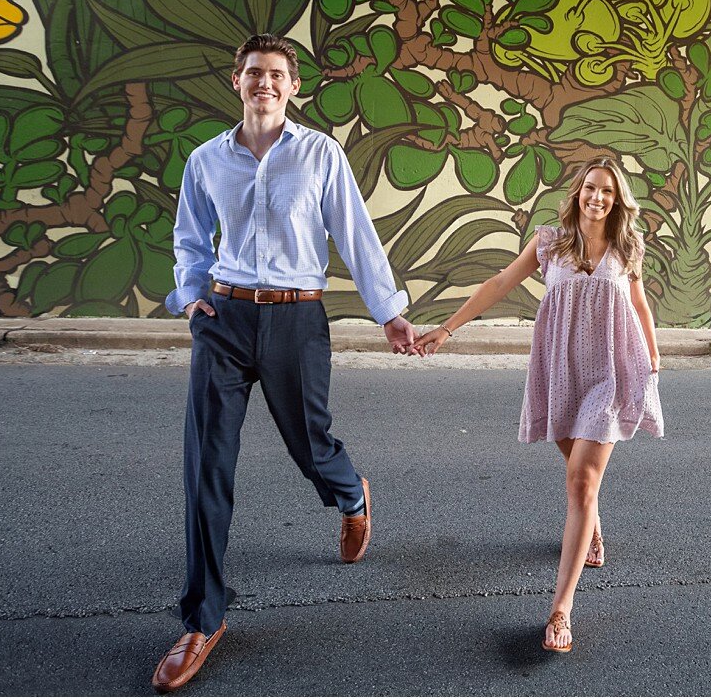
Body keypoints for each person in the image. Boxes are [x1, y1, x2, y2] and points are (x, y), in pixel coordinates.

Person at [151, 34, 419, 692]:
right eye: (252, 73)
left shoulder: (320, 154)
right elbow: (190, 234)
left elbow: (355, 231)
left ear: (294, 85)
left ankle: (351, 494)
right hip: (225, 316)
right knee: (205, 463)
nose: (263, 82)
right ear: (235, 81)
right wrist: (190, 298)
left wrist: (390, 311)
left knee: (311, 443)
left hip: (297, 317)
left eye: (275, 73)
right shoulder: (207, 160)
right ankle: (203, 617)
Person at [416, 156, 663, 653]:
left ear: (618, 201)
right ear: (578, 193)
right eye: (591, 188)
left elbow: (638, 303)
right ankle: (590, 526)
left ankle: (560, 610)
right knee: (577, 471)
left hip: (610, 375)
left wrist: (653, 358)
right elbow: (499, 283)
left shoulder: (626, 246)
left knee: (582, 480)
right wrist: (447, 328)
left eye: (608, 192)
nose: (598, 197)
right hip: (560, 372)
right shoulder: (550, 243)